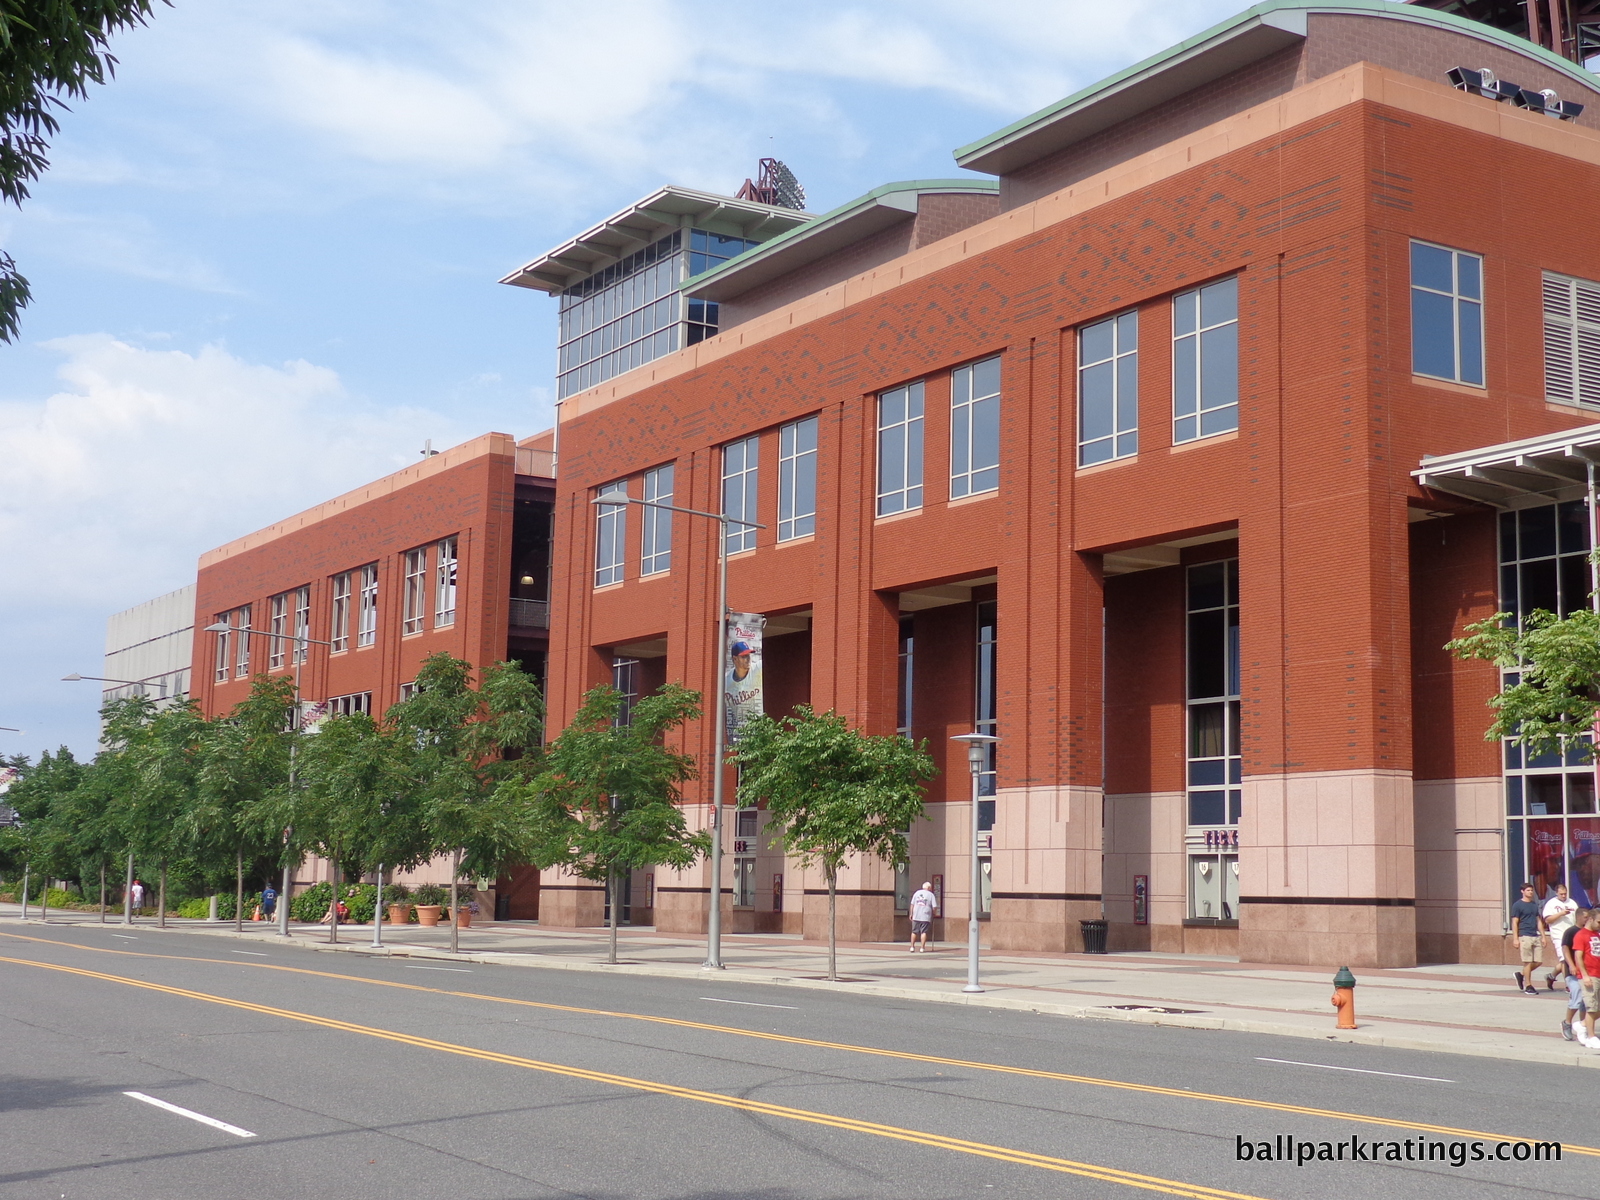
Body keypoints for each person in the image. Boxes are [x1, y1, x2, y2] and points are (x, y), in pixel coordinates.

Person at [1561, 908, 1590, 1042]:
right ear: (1578, 917)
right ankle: (1567, 1022)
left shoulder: (1589, 932)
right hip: (1572, 972)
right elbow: (1565, 949)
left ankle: (1582, 1027)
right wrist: (1571, 965)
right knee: (1577, 997)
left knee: (1585, 1001)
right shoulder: (1571, 931)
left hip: (1586, 972)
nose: (1587, 919)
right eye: (1585, 917)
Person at [1543, 883, 1579, 989]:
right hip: (1559, 934)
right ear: (1556, 893)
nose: (1563, 896)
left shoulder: (1572, 903)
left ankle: (1551, 976)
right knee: (1564, 959)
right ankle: (1568, 984)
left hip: (1571, 934)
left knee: (1571, 958)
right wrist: (1560, 914)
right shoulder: (1551, 903)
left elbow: (1577, 918)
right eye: (1561, 894)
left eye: (1565, 894)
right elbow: (1547, 920)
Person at [1574, 909, 1600, 1049]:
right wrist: (1584, 975)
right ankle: (1591, 1036)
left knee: (1598, 1008)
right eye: (1598, 922)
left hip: (1598, 973)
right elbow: (1578, 957)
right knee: (1591, 1007)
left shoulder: (1596, 934)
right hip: (1589, 975)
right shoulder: (1581, 935)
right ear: (1590, 919)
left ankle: (1582, 1024)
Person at [1511, 882, 1544, 994]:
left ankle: (1521, 975)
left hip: (1535, 935)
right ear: (1522, 891)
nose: (1530, 892)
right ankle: (1528, 985)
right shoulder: (1518, 905)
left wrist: (1543, 936)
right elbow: (1515, 922)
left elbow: (1538, 920)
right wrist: (1515, 938)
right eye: (1528, 890)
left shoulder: (1534, 905)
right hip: (1524, 935)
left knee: (1538, 961)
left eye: (1531, 890)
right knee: (1527, 962)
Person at [908, 881, 938, 952]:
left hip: (916, 915)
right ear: (929, 888)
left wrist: (911, 914)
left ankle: (912, 947)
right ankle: (922, 948)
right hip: (925, 916)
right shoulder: (931, 895)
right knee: (923, 932)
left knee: (914, 931)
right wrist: (934, 913)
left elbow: (912, 904)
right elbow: (935, 906)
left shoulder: (917, 893)